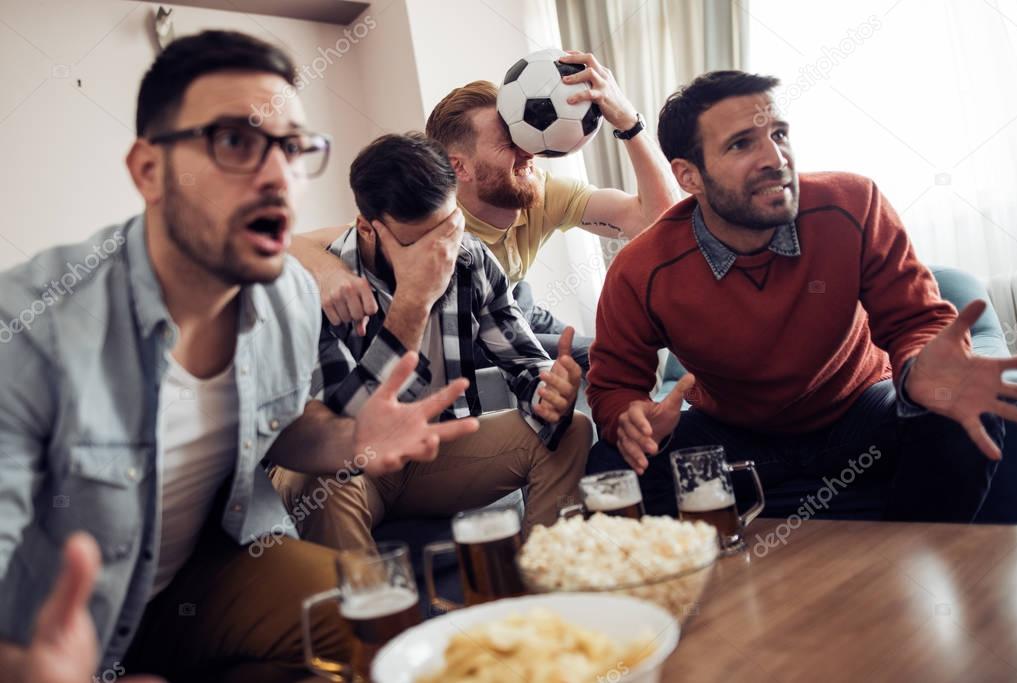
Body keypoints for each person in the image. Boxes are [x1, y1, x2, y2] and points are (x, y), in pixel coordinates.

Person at [0, 31, 477, 683]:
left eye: (292, 148)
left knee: (370, 611)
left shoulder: (284, 295)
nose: (277, 175)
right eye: (234, 143)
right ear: (148, 170)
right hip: (52, 627)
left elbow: (284, 429)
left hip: (201, 578)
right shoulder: (28, 328)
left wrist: (350, 437)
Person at [586, 70, 1017, 523]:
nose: (775, 157)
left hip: (860, 410)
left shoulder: (853, 203)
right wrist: (629, 419)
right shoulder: (641, 268)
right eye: (741, 144)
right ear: (689, 176)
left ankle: (911, 565)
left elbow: (917, 321)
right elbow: (613, 383)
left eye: (778, 134)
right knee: (611, 467)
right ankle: (692, 588)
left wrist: (920, 367)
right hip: (734, 434)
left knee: (968, 409)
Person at [270, 132, 592, 551]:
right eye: (419, 241)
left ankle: (549, 586)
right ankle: (377, 612)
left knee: (570, 430)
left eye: (449, 226)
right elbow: (337, 430)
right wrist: (413, 301)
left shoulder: (471, 259)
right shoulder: (318, 287)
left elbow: (524, 361)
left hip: (434, 454)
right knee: (317, 482)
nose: (442, 250)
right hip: (354, 464)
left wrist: (548, 390)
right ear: (368, 228)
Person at [288, 52, 681, 372]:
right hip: (466, 322)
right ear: (460, 167)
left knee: (625, 357)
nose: (527, 149)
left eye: (523, 129)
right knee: (599, 364)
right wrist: (329, 272)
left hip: (517, 303)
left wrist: (628, 122)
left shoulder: (539, 188)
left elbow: (658, 221)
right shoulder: (436, 215)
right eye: (507, 141)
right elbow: (294, 244)